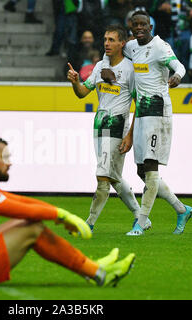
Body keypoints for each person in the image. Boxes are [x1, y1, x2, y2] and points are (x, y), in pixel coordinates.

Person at [0, 136, 136, 287]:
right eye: (5, 157)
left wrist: (59, 213)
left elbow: (19, 201)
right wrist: (62, 215)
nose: (10, 163)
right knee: (31, 229)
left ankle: (91, 267)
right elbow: (17, 208)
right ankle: (99, 273)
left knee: (29, 224)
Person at [101, 10, 192, 236]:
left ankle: (141, 222)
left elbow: (179, 66)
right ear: (131, 27)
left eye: (144, 24)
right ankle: (182, 210)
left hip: (159, 111)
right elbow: (113, 50)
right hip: (142, 113)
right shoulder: (132, 47)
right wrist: (105, 65)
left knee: (151, 167)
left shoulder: (160, 47)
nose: (140, 28)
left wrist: (177, 77)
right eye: (136, 25)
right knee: (143, 171)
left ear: (150, 26)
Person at [67, 24, 152, 233]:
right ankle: (141, 217)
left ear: (122, 43)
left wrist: (130, 135)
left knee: (103, 177)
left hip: (117, 126)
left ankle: (88, 224)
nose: (106, 43)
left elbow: (139, 104)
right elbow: (82, 93)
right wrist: (75, 81)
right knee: (113, 175)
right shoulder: (99, 66)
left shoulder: (131, 70)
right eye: (105, 39)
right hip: (99, 124)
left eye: (112, 40)